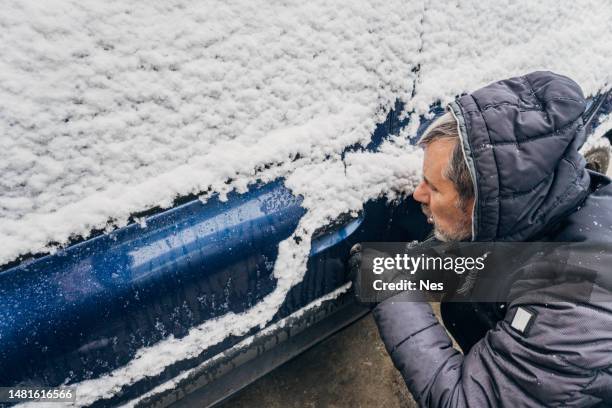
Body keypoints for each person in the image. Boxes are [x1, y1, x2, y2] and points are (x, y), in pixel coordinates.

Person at [369, 71, 612, 406]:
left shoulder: (571, 313)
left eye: (434, 187)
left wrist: (390, 290)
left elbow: (467, 401)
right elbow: (507, 262)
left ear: (480, 205)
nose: (417, 193)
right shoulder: (548, 206)